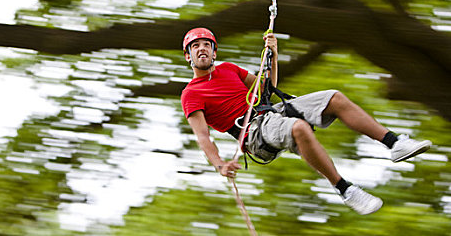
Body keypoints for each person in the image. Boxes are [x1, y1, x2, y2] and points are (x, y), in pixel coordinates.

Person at [180, 27, 432, 215]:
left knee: (334, 98)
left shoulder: (229, 69)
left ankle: (393, 143)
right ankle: (346, 189)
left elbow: (267, 89)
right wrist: (219, 165)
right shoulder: (191, 94)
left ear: (214, 51)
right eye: (195, 46)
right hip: (252, 132)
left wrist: (273, 56)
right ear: (188, 57)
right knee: (298, 128)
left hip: (271, 111)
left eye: (206, 44)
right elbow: (203, 136)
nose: (202, 49)